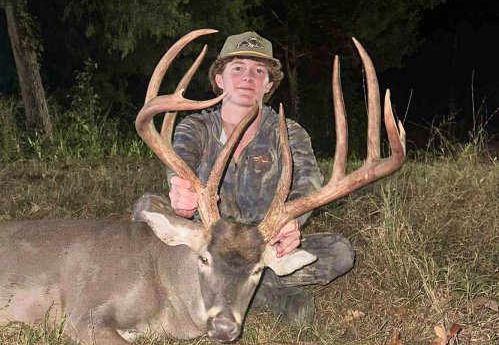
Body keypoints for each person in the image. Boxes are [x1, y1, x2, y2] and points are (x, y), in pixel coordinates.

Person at [133, 31, 355, 325]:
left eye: (258, 71)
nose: (247, 77)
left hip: (260, 244)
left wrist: (291, 222)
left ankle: (237, 287)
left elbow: (309, 181)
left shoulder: (288, 132)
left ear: (269, 84)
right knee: (147, 207)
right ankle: (259, 290)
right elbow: (179, 164)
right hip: (208, 240)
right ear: (220, 80)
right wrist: (180, 192)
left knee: (340, 252)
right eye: (237, 68)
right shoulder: (196, 126)